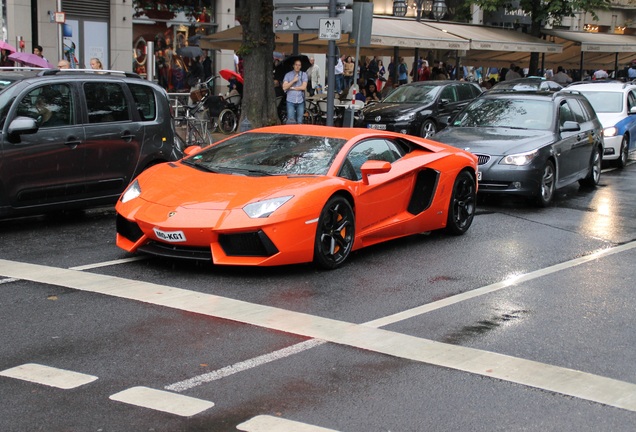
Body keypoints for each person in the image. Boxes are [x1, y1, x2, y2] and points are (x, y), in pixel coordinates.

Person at [282, 59, 308, 124]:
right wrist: (293, 81)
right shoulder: (288, 75)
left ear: (301, 66)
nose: (297, 66)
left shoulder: (304, 75)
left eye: (299, 65)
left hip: (300, 101)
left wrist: (292, 88)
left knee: (300, 121)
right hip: (290, 100)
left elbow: (303, 87)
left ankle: (299, 133)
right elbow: (284, 87)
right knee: (291, 120)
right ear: (293, 66)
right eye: (296, 65)